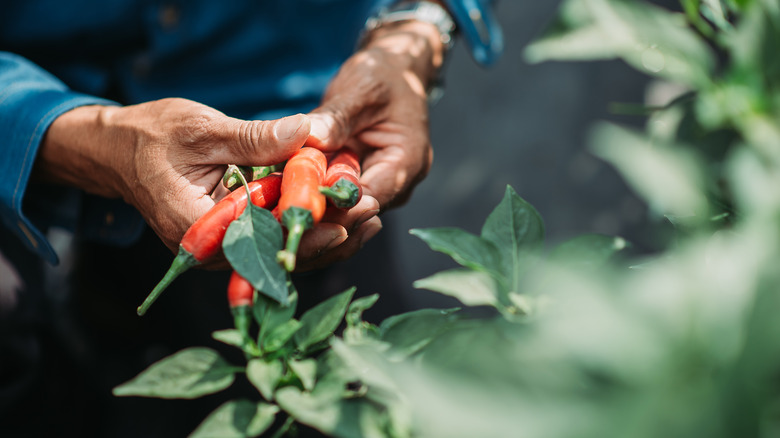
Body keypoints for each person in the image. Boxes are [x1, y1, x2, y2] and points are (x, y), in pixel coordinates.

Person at [0, 0, 502, 436]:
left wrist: (414, 32)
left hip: (303, 109)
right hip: (42, 96)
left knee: (362, 384)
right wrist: (86, 136)